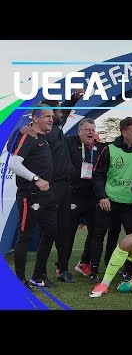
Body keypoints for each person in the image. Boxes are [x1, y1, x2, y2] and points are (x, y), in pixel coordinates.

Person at [20, 90, 84, 282]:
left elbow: (65, 108)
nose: (61, 113)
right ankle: (38, 274)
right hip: (50, 187)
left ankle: (61, 270)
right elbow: (18, 145)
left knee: (62, 229)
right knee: (49, 232)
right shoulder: (37, 131)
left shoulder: (57, 127)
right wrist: (23, 129)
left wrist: (73, 98)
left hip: (65, 187)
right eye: (55, 111)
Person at [89, 117, 132, 283]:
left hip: (131, 203)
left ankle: (128, 271)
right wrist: (102, 197)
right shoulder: (109, 149)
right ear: (124, 133)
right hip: (109, 202)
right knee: (99, 235)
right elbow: (98, 175)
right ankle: (93, 271)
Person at [7, 104, 57, 288]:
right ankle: (20, 280)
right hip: (30, 195)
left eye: (52, 116)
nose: (51, 119)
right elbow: (13, 163)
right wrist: (36, 179)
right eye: (46, 116)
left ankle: (38, 276)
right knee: (25, 236)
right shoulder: (27, 135)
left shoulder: (43, 137)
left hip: (48, 195)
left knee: (51, 231)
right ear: (35, 118)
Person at [65, 118, 104, 279]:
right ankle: (62, 267)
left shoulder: (98, 148)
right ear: (79, 131)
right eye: (87, 129)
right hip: (73, 193)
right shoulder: (70, 142)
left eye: (92, 129)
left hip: (92, 195)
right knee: (68, 232)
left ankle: (84, 263)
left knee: (95, 231)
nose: (90, 132)